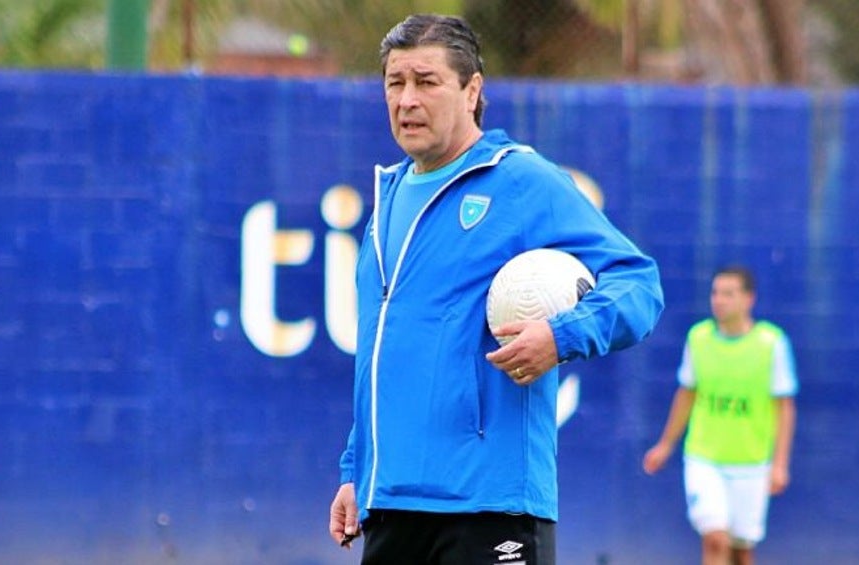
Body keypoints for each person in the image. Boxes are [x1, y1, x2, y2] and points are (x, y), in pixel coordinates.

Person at [327, 13, 664, 565]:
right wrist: (355, 471)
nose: (407, 99)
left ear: (472, 90)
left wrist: (561, 336)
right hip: (391, 506)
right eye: (395, 83)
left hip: (491, 508)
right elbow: (385, 358)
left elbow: (638, 283)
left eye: (427, 81)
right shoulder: (387, 201)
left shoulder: (521, 181)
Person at [642, 265, 797, 565]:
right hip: (704, 459)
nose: (719, 300)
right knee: (715, 539)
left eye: (728, 293)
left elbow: (785, 408)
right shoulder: (698, 338)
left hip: (752, 462)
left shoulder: (771, 343)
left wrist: (780, 464)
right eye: (715, 292)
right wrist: (665, 445)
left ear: (748, 299)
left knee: (741, 550)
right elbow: (687, 394)